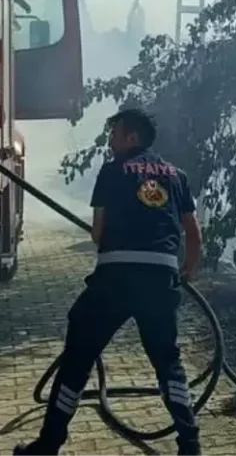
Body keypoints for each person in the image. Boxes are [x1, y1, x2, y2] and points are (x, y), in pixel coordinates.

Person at [15, 108, 204, 456]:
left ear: (131, 138)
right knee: (168, 363)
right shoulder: (176, 175)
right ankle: (190, 446)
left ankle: (48, 445)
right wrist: (187, 270)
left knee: (78, 358)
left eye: (115, 133)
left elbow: (98, 233)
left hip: (115, 278)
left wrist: (105, 233)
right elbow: (194, 235)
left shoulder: (113, 170)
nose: (110, 139)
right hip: (161, 278)